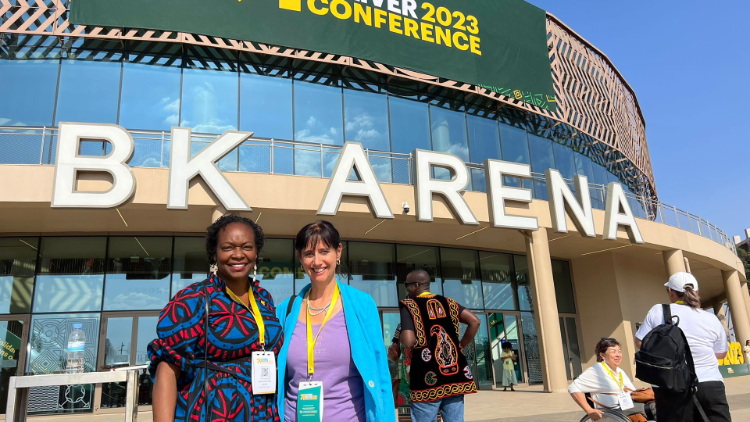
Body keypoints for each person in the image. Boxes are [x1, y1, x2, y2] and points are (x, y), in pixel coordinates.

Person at [148, 214, 283, 422]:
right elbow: (166, 370)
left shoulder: (264, 298)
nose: (238, 255)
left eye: (246, 247)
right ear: (214, 253)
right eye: (228, 247)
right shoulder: (193, 300)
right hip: (211, 413)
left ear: (256, 253)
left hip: (263, 413)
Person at [275, 220, 395, 422]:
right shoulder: (284, 311)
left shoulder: (362, 305)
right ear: (300, 258)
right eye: (308, 254)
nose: (317, 261)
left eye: (324, 251)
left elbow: (381, 375)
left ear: (338, 252)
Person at [635, 272, 730, 422]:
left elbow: (641, 343)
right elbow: (721, 353)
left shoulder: (659, 311)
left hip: (670, 384)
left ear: (671, 292)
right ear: (697, 292)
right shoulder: (710, 318)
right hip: (709, 384)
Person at [399, 270, 479, 422]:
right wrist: (460, 346)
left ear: (416, 285)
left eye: (407, 285)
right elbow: (475, 321)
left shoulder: (409, 305)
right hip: (454, 376)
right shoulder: (449, 303)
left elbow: (408, 342)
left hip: (426, 377)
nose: (406, 289)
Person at [568, 338, 637, 421]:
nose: (618, 355)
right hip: (612, 413)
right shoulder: (596, 370)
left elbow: (633, 390)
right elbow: (573, 387)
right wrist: (589, 410)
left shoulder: (619, 371)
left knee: (652, 406)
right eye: (613, 351)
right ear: (602, 355)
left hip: (627, 408)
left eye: (619, 351)